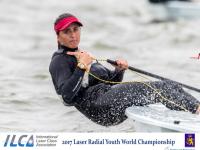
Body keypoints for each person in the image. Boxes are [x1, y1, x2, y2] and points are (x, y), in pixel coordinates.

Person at [49, 13, 200, 126]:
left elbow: (110, 83)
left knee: (168, 86)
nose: (73, 35)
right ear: (58, 36)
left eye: (75, 29)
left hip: (106, 99)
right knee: (155, 89)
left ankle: (192, 118)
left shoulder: (82, 54)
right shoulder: (59, 61)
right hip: (100, 108)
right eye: (67, 31)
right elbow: (67, 96)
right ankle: (196, 110)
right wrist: (82, 66)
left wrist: (118, 71)